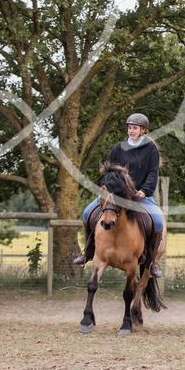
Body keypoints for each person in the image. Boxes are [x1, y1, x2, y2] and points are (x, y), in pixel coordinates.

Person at [73, 113, 164, 278]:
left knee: (157, 220)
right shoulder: (119, 147)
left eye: (135, 128)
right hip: (115, 194)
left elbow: (153, 173)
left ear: (143, 130)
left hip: (140, 195)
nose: (131, 131)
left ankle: (151, 262)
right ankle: (88, 252)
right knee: (87, 212)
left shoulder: (151, 149)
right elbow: (109, 167)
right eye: (129, 128)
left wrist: (144, 190)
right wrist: (106, 181)